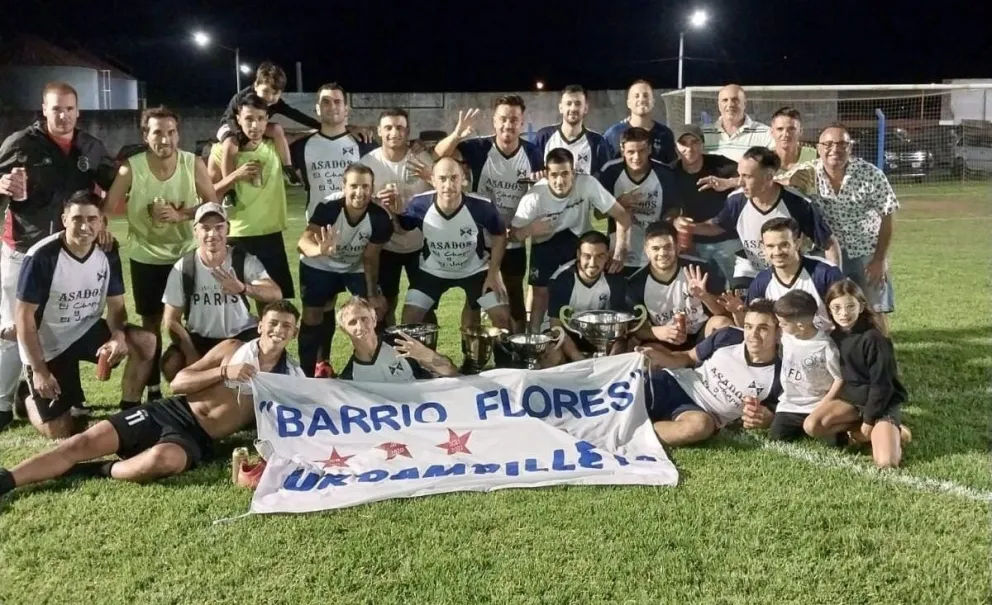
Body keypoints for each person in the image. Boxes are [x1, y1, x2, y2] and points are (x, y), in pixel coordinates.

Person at [0, 300, 304, 496]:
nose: (278, 330)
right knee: (81, 443)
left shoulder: (289, 378)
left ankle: (96, 469)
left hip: (198, 438)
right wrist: (225, 372)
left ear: (295, 333)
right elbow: (179, 383)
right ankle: (8, 479)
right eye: (273, 323)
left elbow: (303, 421)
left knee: (162, 461)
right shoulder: (232, 349)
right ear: (261, 325)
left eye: (286, 326)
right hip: (170, 411)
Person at [0, 82, 117, 427]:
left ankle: (63, 394)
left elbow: (118, 181)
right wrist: (2, 185)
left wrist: (103, 220)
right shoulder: (20, 144)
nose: (63, 116)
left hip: (71, 254)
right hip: (25, 250)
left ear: (78, 111)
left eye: (69, 109)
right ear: (44, 110)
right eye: (56, 109)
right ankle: (3, 403)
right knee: (13, 327)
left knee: (65, 324)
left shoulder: (91, 147)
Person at [15, 191, 156, 439]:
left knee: (146, 341)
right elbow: (24, 318)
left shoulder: (108, 251)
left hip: (86, 331)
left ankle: (129, 407)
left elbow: (116, 307)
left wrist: (118, 336)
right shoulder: (42, 256)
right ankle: (27, 396)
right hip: (49, 343)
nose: (84, 226)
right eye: (77, 219)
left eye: (91, 219)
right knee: (60, 431)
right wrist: (39, 370)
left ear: (101, 221)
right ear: (64, 220)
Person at [105, 106, 219, 403]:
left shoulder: (193, 164)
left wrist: (181, 215)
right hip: (146, 257)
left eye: (171, 132)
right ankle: (153, 389)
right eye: (157, 132)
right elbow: (106, 210)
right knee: (151, 326)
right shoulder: (131, 168)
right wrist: (104, 231)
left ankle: (198, 384)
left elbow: (212, 207)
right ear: (146, 135)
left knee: (192, 323)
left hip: (186, 255)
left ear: (178, 134)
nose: (165, 139)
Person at [433, 97, 545, 332]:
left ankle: (518, 349)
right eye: (503, 119)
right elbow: (439, 154)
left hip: (513, 238)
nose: (508, 125)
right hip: (479, 239)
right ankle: (471, 352)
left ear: (522, 123)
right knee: (475, 299)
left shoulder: (533, 153)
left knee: (514, 293)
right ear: (494, 121)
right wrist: (456, 134)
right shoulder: (479, 148)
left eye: (514, 120)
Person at [674, 146, 840, 289]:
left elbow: (829, 243)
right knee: (746, 312)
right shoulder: (736, 200)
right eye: (740, 175)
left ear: (768, 177)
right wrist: (690, 227)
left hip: (789, 270)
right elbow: (718, 226)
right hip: (750, 270)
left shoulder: (797, 203)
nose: (740, 182)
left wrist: (835, 282)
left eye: (747, 176)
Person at [511, 148, 631, 333]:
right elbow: (512, 235)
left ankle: (592, 333)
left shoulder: (587, 184)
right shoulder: (534, 197)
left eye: (565, 173)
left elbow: (621, 215)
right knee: (540, 294)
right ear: (547, 175)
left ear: (574, 172)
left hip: (578, 241)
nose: (560, 181)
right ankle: (534, 339)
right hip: (544, 244)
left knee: (584, 287)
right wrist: (529, 229)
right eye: (554, 175)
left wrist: (619, 251)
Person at [160, 203, 282, 381]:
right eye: (205, 228)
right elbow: (171, 320)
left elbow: (275, 293)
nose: (212, 235)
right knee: (172, 363)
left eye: (219, 228)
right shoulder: (184, 267)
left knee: (260, 364)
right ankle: (190, 404)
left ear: (228, 229)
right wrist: (190, 352)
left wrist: (243, 288)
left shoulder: (243, 260)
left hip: (240, 335)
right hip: (201, 338)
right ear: (195, 231)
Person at [639, 298, 779, 446]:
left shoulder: (780, 376)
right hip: (674, 383)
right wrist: (660, 357)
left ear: (778, 333)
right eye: (748, 326)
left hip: (698, 412)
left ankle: (631, 437)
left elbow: (783, 413)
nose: (753, 334)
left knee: (700, 426)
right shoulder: (728, 336)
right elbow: (688, 357)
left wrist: (767, 419)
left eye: (763, 328)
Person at [296, 164, 392, 377]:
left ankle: (374, 368)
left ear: (372, 187)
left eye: (365, 186)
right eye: (354, 186)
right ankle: (310, 371)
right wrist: (319, 249)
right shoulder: (329, 207)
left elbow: (370, 257)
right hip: (319, 265)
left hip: (353, 266)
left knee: (374, 311)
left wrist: (372, 294)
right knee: (314, 316)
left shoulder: (379, 217)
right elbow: (302, 242)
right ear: (344, 186)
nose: (360, 192)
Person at [395, 158, 511, 332]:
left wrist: (494, 273)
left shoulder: (481, 206)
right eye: (442, 178)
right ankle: (419, 359)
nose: (448, 185)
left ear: (462, 178)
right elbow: (403, 229)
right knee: (409, 319)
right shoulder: (419, 205)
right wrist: (393, 211)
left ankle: (486, 359)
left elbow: (500, 234)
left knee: (502, 317)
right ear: (432, 180)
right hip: (433, 270)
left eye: (453, 178)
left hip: (475, 269)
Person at [802, 124, 899, 330]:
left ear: (850, 148)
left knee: (874, 311)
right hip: (825, 254)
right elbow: (774, 182)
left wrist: (879, 259)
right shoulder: (807, 174)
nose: (834, 149)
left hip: (866, 254)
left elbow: (888, 215)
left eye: (841, 144)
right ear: (818, 148)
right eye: (827, 144)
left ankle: (882, 357)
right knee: (828, 312)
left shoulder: (870, 174)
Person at [805, 279, 909, 468]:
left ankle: (894, 431)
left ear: (861, 307)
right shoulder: (835, 336)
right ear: (829, 309)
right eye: (836, 307)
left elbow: (882, 385)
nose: (844, 313)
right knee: (812, 425)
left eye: (850, 306)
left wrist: (869, 420)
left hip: (881, 403)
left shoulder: (875, 338)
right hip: (852, 402)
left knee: (886, 462)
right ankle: (865, 432)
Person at [207, 92, 295, 308]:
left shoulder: (275, 145)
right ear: (237, 118)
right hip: (237, 236)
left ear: (267, 120)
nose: (254, 125)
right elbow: (208, 196)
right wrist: (235, 176)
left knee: (274, 304)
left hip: (270, 234)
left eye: (260, 119)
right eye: (248, 118)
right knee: (234, 305)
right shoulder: (219, 151)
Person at [360, 107, 434, 329]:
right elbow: (355, 198)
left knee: (425, 304)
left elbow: (442, 190)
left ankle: (427, 356)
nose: (394, 132)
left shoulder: (421, 158)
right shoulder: (368, 162)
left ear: (407, 131)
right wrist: (373, 199)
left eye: (400, 127)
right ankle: (387, 348)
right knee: (386, 303)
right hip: (385, 246)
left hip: (420, 243)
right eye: (389, 127)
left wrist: (430, 177)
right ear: (379, 131)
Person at [627, 222, 732, 352]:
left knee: (723, 324)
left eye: (668, 247)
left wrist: (704, 296)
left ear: (677, 246)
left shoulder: (700, 269)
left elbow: (725, 313)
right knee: (644, 353)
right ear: (646, 250)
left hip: (702, 336)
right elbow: (636, 329)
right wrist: (657, 332)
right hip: (665, 342)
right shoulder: (636, 284)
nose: (662, 253)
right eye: (655, 248)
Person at [217, 61, 319, 192]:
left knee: (277, 129)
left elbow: (296, 115)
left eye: (275, 93)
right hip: (231, 126)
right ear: (256, 85)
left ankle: (288, 168)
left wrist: (319, 125)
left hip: (255, 128)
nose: (270, 97)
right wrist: (242, 137)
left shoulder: (276, 104)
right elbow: (230, 117)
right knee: (231, 143)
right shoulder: (242, 97)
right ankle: (228, 188)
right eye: (265, 91)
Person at [737, 217, 844, 329]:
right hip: (786, 344)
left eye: (784, 245)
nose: (777, 252)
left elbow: (849, 316)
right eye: (770, 246)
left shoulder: (826, 274)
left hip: (827, 341)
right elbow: (752, 325)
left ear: (797, 244)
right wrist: (737, 313)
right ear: (763, 248)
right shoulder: (761, 282)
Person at [291, 83, 378, 220]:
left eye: (337, 102)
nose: (332, 107)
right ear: (318, 109)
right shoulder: (300, 147)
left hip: (359, 225)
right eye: (326, 102)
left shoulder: (366, 144)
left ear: (346, 109)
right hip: (318, 225)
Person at [598, 127, 677, 275]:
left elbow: (674, 208)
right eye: (630, 152)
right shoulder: (610, 172)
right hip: (617, 254)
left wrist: (665, 225)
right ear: (622, 150)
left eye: (641, 151)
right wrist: (618, 205)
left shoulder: (664, 173)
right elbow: (597, 215)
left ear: (649, 149)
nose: (636, 157)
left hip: (654, 252)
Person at [768, 290, 843, 442]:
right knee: (776, 438)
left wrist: (825, 403)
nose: (780, 326)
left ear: (800, 326)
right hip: (790, 405)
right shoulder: (786, 336)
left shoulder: (824, 346)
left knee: (834, 442)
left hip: (817, 404)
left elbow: (839, 379)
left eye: (783, 323)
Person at [544, 231, 629, 365]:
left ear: (608, 256)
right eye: (587, 256)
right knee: (554, 357)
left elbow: (620, 327)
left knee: (628, 348)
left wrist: (611, 361)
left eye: (600, 256)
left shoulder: (614, 278)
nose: (592, 263)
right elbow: (556, 328)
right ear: (578, 255)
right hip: (564, 334)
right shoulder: (563, 280)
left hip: (598, 335)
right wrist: (580, 360)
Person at [670, 123, 741, 283]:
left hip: (728, 239)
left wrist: (728, 183)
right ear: (676, 149)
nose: (690, 148)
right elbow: (666, 207)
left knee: (739, 289)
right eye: (684, 144)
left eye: (694, 142)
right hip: (693, 243)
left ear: (702, 145)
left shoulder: (721, 164)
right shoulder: (671, 172)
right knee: (698, 290)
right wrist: (675, 220)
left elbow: (751, 178)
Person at [336, 296, 459, 381]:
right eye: (352, 322)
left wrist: (427, 355)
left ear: (374, 320)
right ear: (343, 330)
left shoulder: (402, 345)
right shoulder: (349, 377)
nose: (360, 326)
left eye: (364, 319)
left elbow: (451, 372)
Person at [533, 85, 611, 176]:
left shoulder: (597, 141)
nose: (573, 108)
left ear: (585, 108)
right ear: (561, 108)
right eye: (568, 103)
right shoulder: (544, 137)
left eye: (578, 104)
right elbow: (534, 172)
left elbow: (606, 179)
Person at [603, 79, 676, 164]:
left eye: (646, 95)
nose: (641, 100)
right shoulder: (613, 134)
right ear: (628, 103)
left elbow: (671, 167)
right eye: (636, 96)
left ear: (653, 102)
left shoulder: (665, 134)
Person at [701, 84, 774, 162]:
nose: (730, 105)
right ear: (719, 105)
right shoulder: (702, 134)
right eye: (725, 100)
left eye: (735, 100)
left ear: (745, 104)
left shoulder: (765, 133)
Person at [769, 107, 817, 195]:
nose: (786, 134)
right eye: (780, 129)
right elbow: (756, 187)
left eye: (791, 129)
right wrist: (786, 182)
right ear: (772, 132)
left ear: (801, 131)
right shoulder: (763, 160)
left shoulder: (814, 156)